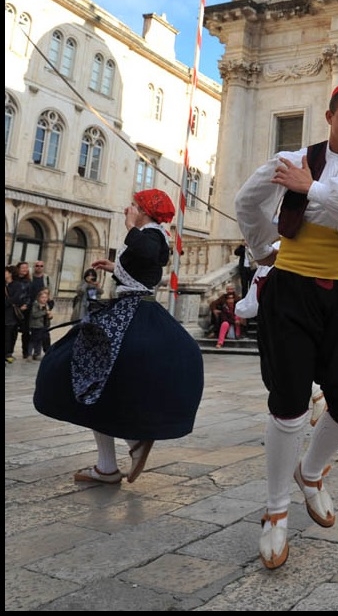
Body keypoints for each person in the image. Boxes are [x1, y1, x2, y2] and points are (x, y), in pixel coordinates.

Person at [234, 81, 338, 570]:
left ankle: (311, 471)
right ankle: (276, 510)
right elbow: (247, 202)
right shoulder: (292, 157)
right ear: (329, 117)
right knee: (288, 402)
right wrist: (263, 248)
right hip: (293, 289)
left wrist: (314, 190)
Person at [33, 189, 204, 486]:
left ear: (145, 211)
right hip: (133, 307)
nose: (129, 209)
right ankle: (113, 459)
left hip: (130, 311)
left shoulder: (149, 234)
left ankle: (124, 449)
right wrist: (116, 268)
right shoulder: (152, 234)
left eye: (134, 206)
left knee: (86, 374)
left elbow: (150, 254)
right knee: (100, 383)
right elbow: (147, 267)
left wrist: (130, 228)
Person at [10, 262, 33, 359]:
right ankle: (9, 351)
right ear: (18, 269)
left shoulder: (28, 282)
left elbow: (30, 295)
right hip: (14, 308)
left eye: (26, 268)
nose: (25, 270)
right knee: (12, 331)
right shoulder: (13, 280)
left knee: (26, 332)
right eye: (23, 268)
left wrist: (26, 305)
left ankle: (25, 352)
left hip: (25, 310)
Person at [28, 287, 53, 360]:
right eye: (42, 297)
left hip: (44, 325)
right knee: (33, 340)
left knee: (40, 340)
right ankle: (29, 354)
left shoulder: (46, 305)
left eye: (46, 297)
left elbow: (47, 315)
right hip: (36, 325)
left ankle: (37, 353)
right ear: (38, 298)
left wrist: (50, 316)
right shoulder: (36, 304)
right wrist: (44, 312)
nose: (44, 299)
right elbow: (34, 314)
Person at [5, 266, 21, 363]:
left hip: (10, 315)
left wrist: (7, 302)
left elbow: (16, 299)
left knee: (9, 335)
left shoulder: (17, 285)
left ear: (10, 273)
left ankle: (8, 353)